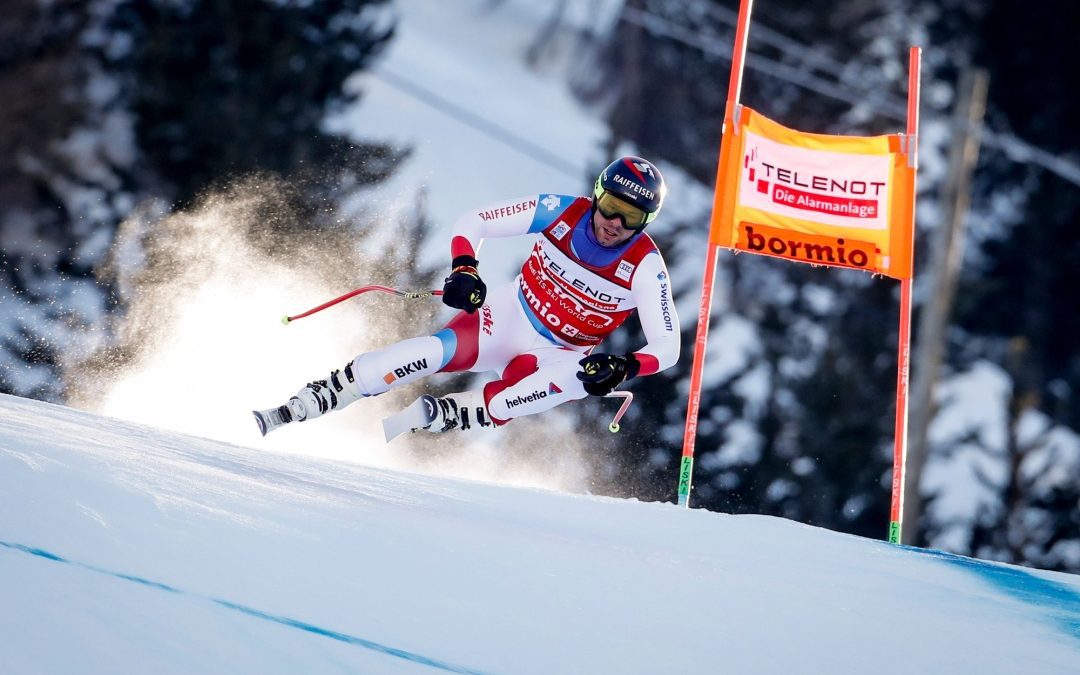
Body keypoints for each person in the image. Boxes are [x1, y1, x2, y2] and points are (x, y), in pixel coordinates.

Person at [253, 155, 681, 439]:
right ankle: (311, 401)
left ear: (646, 222)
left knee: (577, 380)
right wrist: (465, 266)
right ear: (596, 194)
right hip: (511, 317)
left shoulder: (645, 265)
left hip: (560, 353)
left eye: (630, 217)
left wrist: (625, 365)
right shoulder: (561, 210)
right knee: (421, 355)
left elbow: (669, 347)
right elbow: (476, 220)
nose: (613, 222)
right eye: (608, 205)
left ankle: (448, 414)